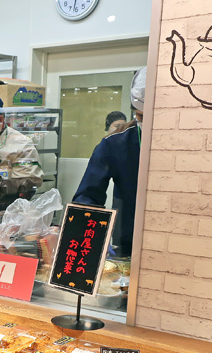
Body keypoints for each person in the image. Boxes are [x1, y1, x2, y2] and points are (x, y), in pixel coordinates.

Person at [73, 67, 146, 257]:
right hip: (129, 242)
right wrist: (90, 237)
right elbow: (87, 197)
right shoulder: (116, 144)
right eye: (141, 117)